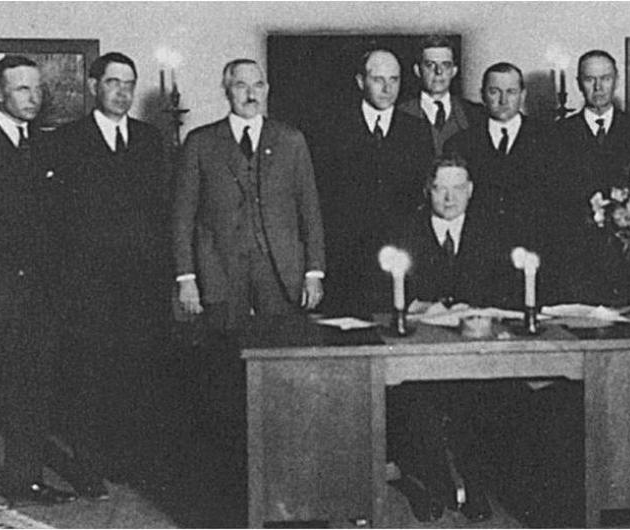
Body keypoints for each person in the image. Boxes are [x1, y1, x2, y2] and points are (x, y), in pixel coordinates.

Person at [172, 58, 325, 465]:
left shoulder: (290, 140)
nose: (250, 93)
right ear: (227, 90)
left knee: (285, 369)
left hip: (281, 274)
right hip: (221, 273)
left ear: (267, 89)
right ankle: (230, 465)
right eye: (241, 85)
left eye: (258, 85)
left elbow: (310, 209)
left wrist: (313, 271)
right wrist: (187, 277)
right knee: (224, 371)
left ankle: (285, 463)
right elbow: (182, 217)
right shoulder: (202, 142)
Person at [51, 51, 169, 495]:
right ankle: (87, 467)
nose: (122, 92)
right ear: (92, 86)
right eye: (113, 83)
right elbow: (58, 219)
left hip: (139, 285)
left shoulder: (150, 139)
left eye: (129, 84)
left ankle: (128, 461)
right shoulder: (66, 141)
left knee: (135, 374)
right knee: (88, 378)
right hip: (88, 285)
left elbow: (159, 213)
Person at [382, 154, 511, 523]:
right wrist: (418, 306)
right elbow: (382, 294)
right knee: (414, 399)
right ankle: (432, 484)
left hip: (477, 350)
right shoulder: (405, 232)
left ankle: (474, 484)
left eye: (458, 189)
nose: (449, 199)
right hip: (419, 353)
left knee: (482, 398)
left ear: (470, 191)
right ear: (429, 191)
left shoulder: (491, 232)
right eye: (441, 189)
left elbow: (506, 291)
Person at [0, 55, 77, 506]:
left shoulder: (46, 144)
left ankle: (25, 478)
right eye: (21, 90)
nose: (33, 98)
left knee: (32, 389)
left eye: (37, 90)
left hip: (38, 294)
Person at [311, 48, 433, 314]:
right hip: (345, 265)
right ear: (360, 81)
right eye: (378, 80)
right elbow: (318, 200)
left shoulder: (417, 131)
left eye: (394, 80)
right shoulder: (331, 128)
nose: (388, 88)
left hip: (400, 266)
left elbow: (421, 202)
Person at [553, 49, 630, 305]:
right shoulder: (557, 134)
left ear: (616, 81)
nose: (598, 87)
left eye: (605, 79)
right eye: (590, 80)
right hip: (575, 262)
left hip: (626, 261)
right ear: (579, 83)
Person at [443, 62, 555, 289]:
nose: (503, 101)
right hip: (479, 262)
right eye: (495, 92)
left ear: (522, 95)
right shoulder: (461, 143)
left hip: (536, 261)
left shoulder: (550, 140)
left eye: (511, 92)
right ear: (483, 95)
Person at [397, 35, 485, 155]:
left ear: (454, 70)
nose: (438, 71)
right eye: (430, 65)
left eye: (446, 65)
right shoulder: (399, 113)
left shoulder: (475, 114)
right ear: (418, 70)